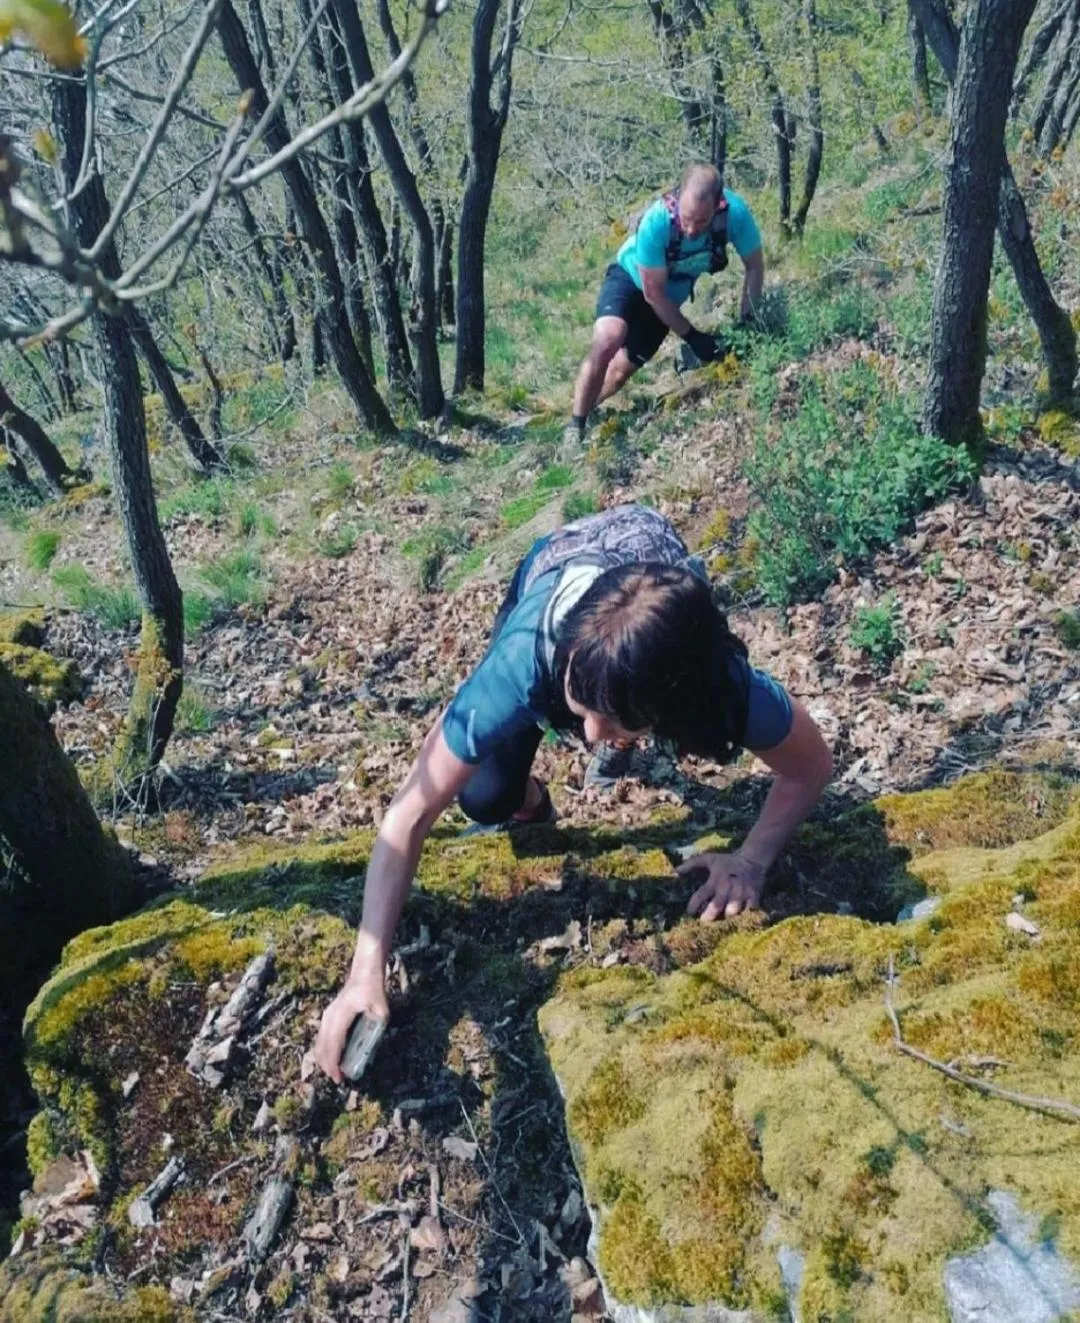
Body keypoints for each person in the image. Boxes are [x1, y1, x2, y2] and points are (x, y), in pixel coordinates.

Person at [315, 504, 831, 1083]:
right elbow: (407, 815)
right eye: (582, 714)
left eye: (611, 724)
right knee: (484, 798)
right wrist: (365, 970)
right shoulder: (523, 660)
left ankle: (621, 733)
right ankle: (538, 795)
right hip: (553, 572)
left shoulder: (719, 685)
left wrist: (753, 861)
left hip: (651, 613)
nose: (587, 738)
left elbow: (810, 766)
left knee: (619, 709)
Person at [564, 162, 765, 452]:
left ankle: (591, 407)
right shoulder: (656, 222)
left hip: (671, 296)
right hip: (632, 279)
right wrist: (693, 336)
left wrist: (749, 323)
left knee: (621, 371)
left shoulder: (736, 215)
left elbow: (755, 266)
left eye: (702, 220)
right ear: (677, 197)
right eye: (686, 219)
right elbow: (653, 294)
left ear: (719, 205)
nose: (692, 229)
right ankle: (574, 428)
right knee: (609, 338)